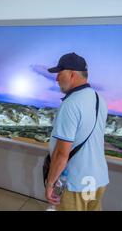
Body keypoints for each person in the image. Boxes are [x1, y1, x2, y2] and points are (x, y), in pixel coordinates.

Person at [45, 53, 109, 211]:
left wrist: (50, 183)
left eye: (60, 73)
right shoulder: (99, 99)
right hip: (96, 179)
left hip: (75, 183)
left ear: (71, 74)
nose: (56, 78)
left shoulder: (71, 104)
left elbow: (62, 153)